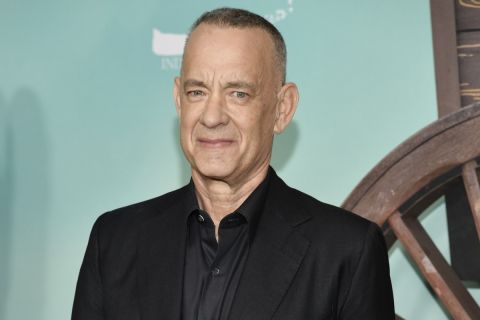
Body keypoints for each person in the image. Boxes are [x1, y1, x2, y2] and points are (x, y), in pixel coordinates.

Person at [72, 7, 394, 320]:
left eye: (238, 93)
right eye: (197, 91)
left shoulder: (346, 253)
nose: (212, 117)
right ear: (178, 99)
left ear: (282, 109)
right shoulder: (114, 243)